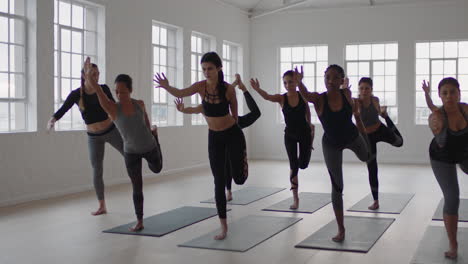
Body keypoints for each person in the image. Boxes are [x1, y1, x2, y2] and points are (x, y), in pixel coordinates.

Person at [154, 52, 247, 240]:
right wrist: (166, 86)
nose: (206, 72)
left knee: (239, 179)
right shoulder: (200, 87)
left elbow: (236, 117)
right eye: (204, 69)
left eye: (210, 68)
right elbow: (181, 93)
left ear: (219, 68)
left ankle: (241, 164)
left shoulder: (229, 90)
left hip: (232, 135)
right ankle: (223, 227)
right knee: (218, 181)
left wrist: (234, 141)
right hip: (214, 138)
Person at [84, 57, 163, 232]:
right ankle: (139, 220)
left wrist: (153, 133)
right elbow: (98, 90)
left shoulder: (140, 104)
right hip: (131, 152)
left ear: (131, 90)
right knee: (137, 187)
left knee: (157, 169)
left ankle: (158, 140)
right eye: (117, 92)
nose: (120, 95)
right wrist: (88, 76)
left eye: (123, 92)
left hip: (149, 146)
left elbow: (146, 122)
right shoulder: (113, 109)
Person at [297, 64, 371, 242]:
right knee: (337, 187)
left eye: (335, 77)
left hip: (352, 137)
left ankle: (368, 148)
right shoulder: (319, 99)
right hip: (331, 144)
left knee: (366, 157)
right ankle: (341, 229)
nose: (330, 81)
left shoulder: (346, 94)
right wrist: (300, 83)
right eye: (327, 77)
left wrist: (360, 122)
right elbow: (306, 95)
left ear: (340, 80)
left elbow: (353, 105)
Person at [47, 63, 123, 216]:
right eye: (93, 74)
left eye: (97, 73)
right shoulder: (77, 94)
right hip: (93, 137)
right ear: (84, 75)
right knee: (97, 169)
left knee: (129, 154)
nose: (96, 76)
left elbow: (114, 106)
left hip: (110, 131)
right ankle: (102, 205)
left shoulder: (104, 88)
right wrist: (52, 120)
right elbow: (63, 108)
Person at [174, 74, 260, 201]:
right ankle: (229, 191)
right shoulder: (203, 106)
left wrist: (239, 86)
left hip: (233, 124)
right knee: (225, 161)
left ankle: (245, 90)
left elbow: (225, 91)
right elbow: (192, 109)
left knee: (256, 113)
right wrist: (183, 110)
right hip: (220, 132)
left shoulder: (222, 89)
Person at [249, 70, 314, 210]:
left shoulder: (303, 96)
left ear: (296, 82)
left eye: (290, 81)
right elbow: (267, 97)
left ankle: (304, 157)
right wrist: (257, 89)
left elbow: (308, 112)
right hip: (289, 135)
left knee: (303, 164)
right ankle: (295, 198)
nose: (287, 85)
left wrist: (310, 128)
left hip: (304, 135)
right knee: (293, 166)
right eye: (285, 82)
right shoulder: (282, 98)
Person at [423, 78, 467, 259]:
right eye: (445, 93)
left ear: (459, 93)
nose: (449, 96)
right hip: (443, 157)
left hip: (464, 153)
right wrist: (437, 128)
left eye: (453, 92)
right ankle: (453, 244)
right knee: (452, 197)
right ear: (440, 96)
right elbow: (440, 138)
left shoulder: (465, 109)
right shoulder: (437, 117)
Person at [357, 77, 403, 210]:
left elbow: (378, 112)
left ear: (371, 90)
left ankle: (389, 119)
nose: (364, 91)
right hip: (367, 137)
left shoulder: (374, 100)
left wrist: (383, 114)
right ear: (358, 90)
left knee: (399, 142)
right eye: (361, 88)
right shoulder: (356, 102)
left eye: (367, 88)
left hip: (380, 129)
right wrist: (343, 88)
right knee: (372, 168)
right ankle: (376, 201)